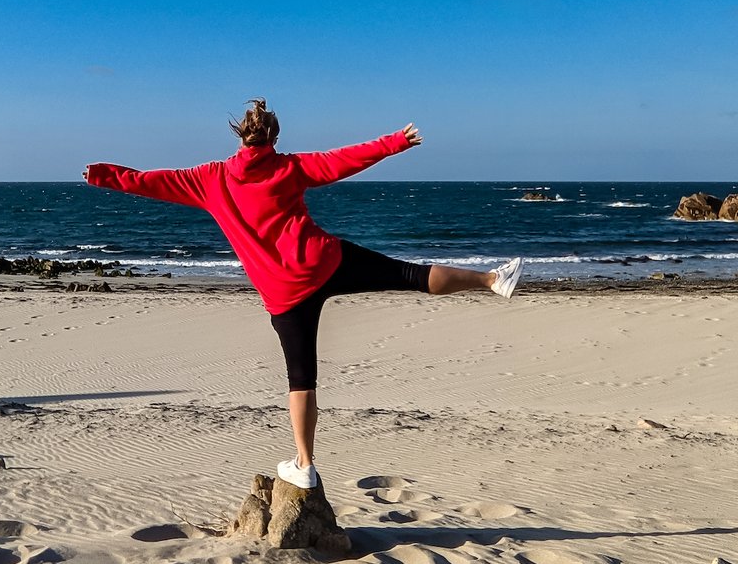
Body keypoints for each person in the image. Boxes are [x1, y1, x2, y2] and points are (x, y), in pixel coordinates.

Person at [83, 99, 523, 489]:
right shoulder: (288, 167)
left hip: (283, 294)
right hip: (323, 261)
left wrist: (104, 176)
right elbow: (340, 160)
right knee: (408, 274)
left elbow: (149, 181)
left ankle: (305, 465)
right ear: (274, 136)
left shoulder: (209, 179)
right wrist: (394, 142)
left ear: (241, 135)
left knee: (301, 379)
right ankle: (490, 281)